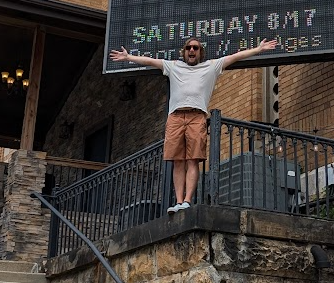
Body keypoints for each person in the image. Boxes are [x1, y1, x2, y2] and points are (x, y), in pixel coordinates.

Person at [109, 36, 277, 213]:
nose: (191, 50)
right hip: (175, 117)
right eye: (188, 47)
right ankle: (178, 201)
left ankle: (187, 201)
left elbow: (235, 57)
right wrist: (129, 58)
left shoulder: (211, 66)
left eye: (195, 48)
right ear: (184, 51)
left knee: (192, 160)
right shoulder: (173, 66)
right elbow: (151, 61)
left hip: (197, 117)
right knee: (177, 161)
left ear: (200, 52)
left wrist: (258, 50)